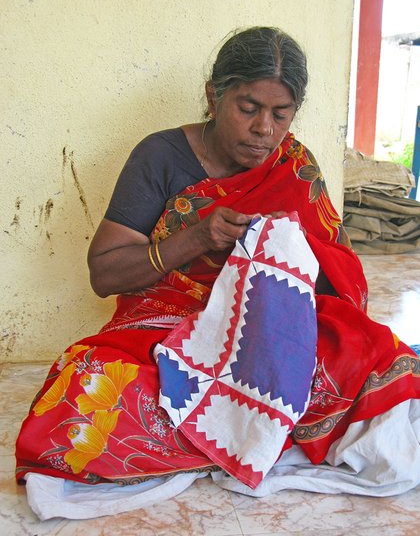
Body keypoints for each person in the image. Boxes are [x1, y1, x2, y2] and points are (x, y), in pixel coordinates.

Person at [15, 27, 420, 518]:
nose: (264, 129)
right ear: (214, 95)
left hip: (268, 336)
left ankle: (234, 432)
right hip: (170, 330)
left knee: (373, 357)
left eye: (281, 113)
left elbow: (338, 278)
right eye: (248, 108)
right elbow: (104, 272)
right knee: (89, 387)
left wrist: (282, 259)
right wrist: (199, 238)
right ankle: (256, 434)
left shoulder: (293, 164)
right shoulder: (160, 156)